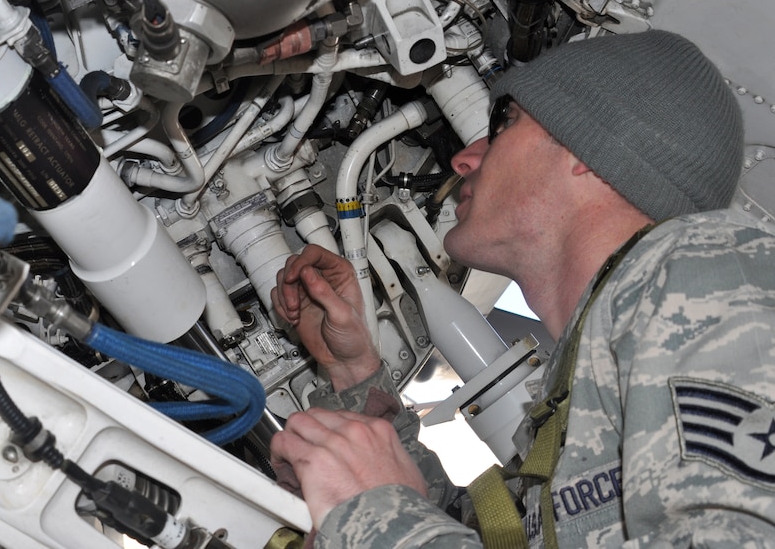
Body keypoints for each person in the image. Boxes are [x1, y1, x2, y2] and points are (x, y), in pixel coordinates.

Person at [269, 29, 775, 548]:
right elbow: (477, 529)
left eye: (505, 122)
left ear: (589, 149)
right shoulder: (572, 406)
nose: (465, 159)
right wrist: (354, 371)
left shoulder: (714, 275)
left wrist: (375, 517)